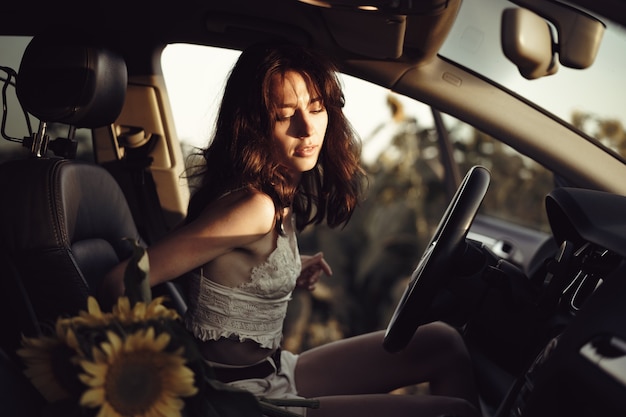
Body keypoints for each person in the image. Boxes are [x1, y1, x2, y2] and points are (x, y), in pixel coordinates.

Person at [102, 42, 481, 417]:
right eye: (285, 115)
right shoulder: (254, 206)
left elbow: (227, 269)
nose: (307, 128)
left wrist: (286, 270)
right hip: (240, 396)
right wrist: (158, 384)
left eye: (316, 109)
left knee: (442, 343)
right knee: (455, 412)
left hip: (275, 371)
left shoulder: (278, 190)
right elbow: (122, 280)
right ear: (253, 125)